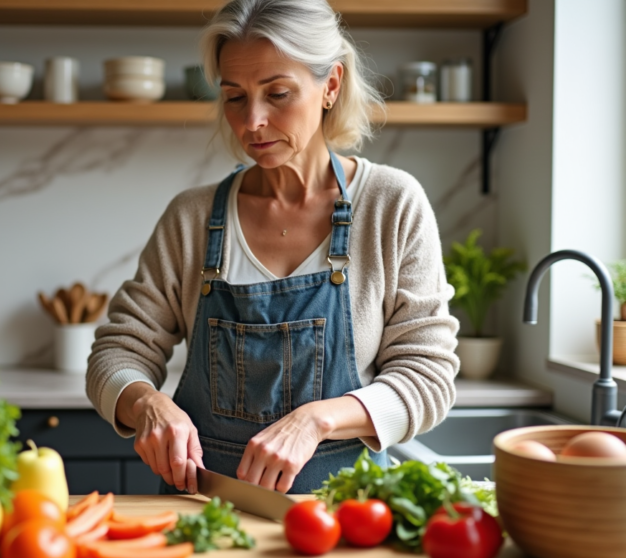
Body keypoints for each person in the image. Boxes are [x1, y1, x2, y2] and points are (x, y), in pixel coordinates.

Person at [86, 0, 459, 495]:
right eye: (234, 97)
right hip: (203, 509)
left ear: (330, 86)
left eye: (278, 93)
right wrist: (147, 404)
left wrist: (316, 421)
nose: (253, 122)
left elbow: (429, 376)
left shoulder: (391, 205)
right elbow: (116, 352)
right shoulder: (192, 218)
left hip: (345, 516)